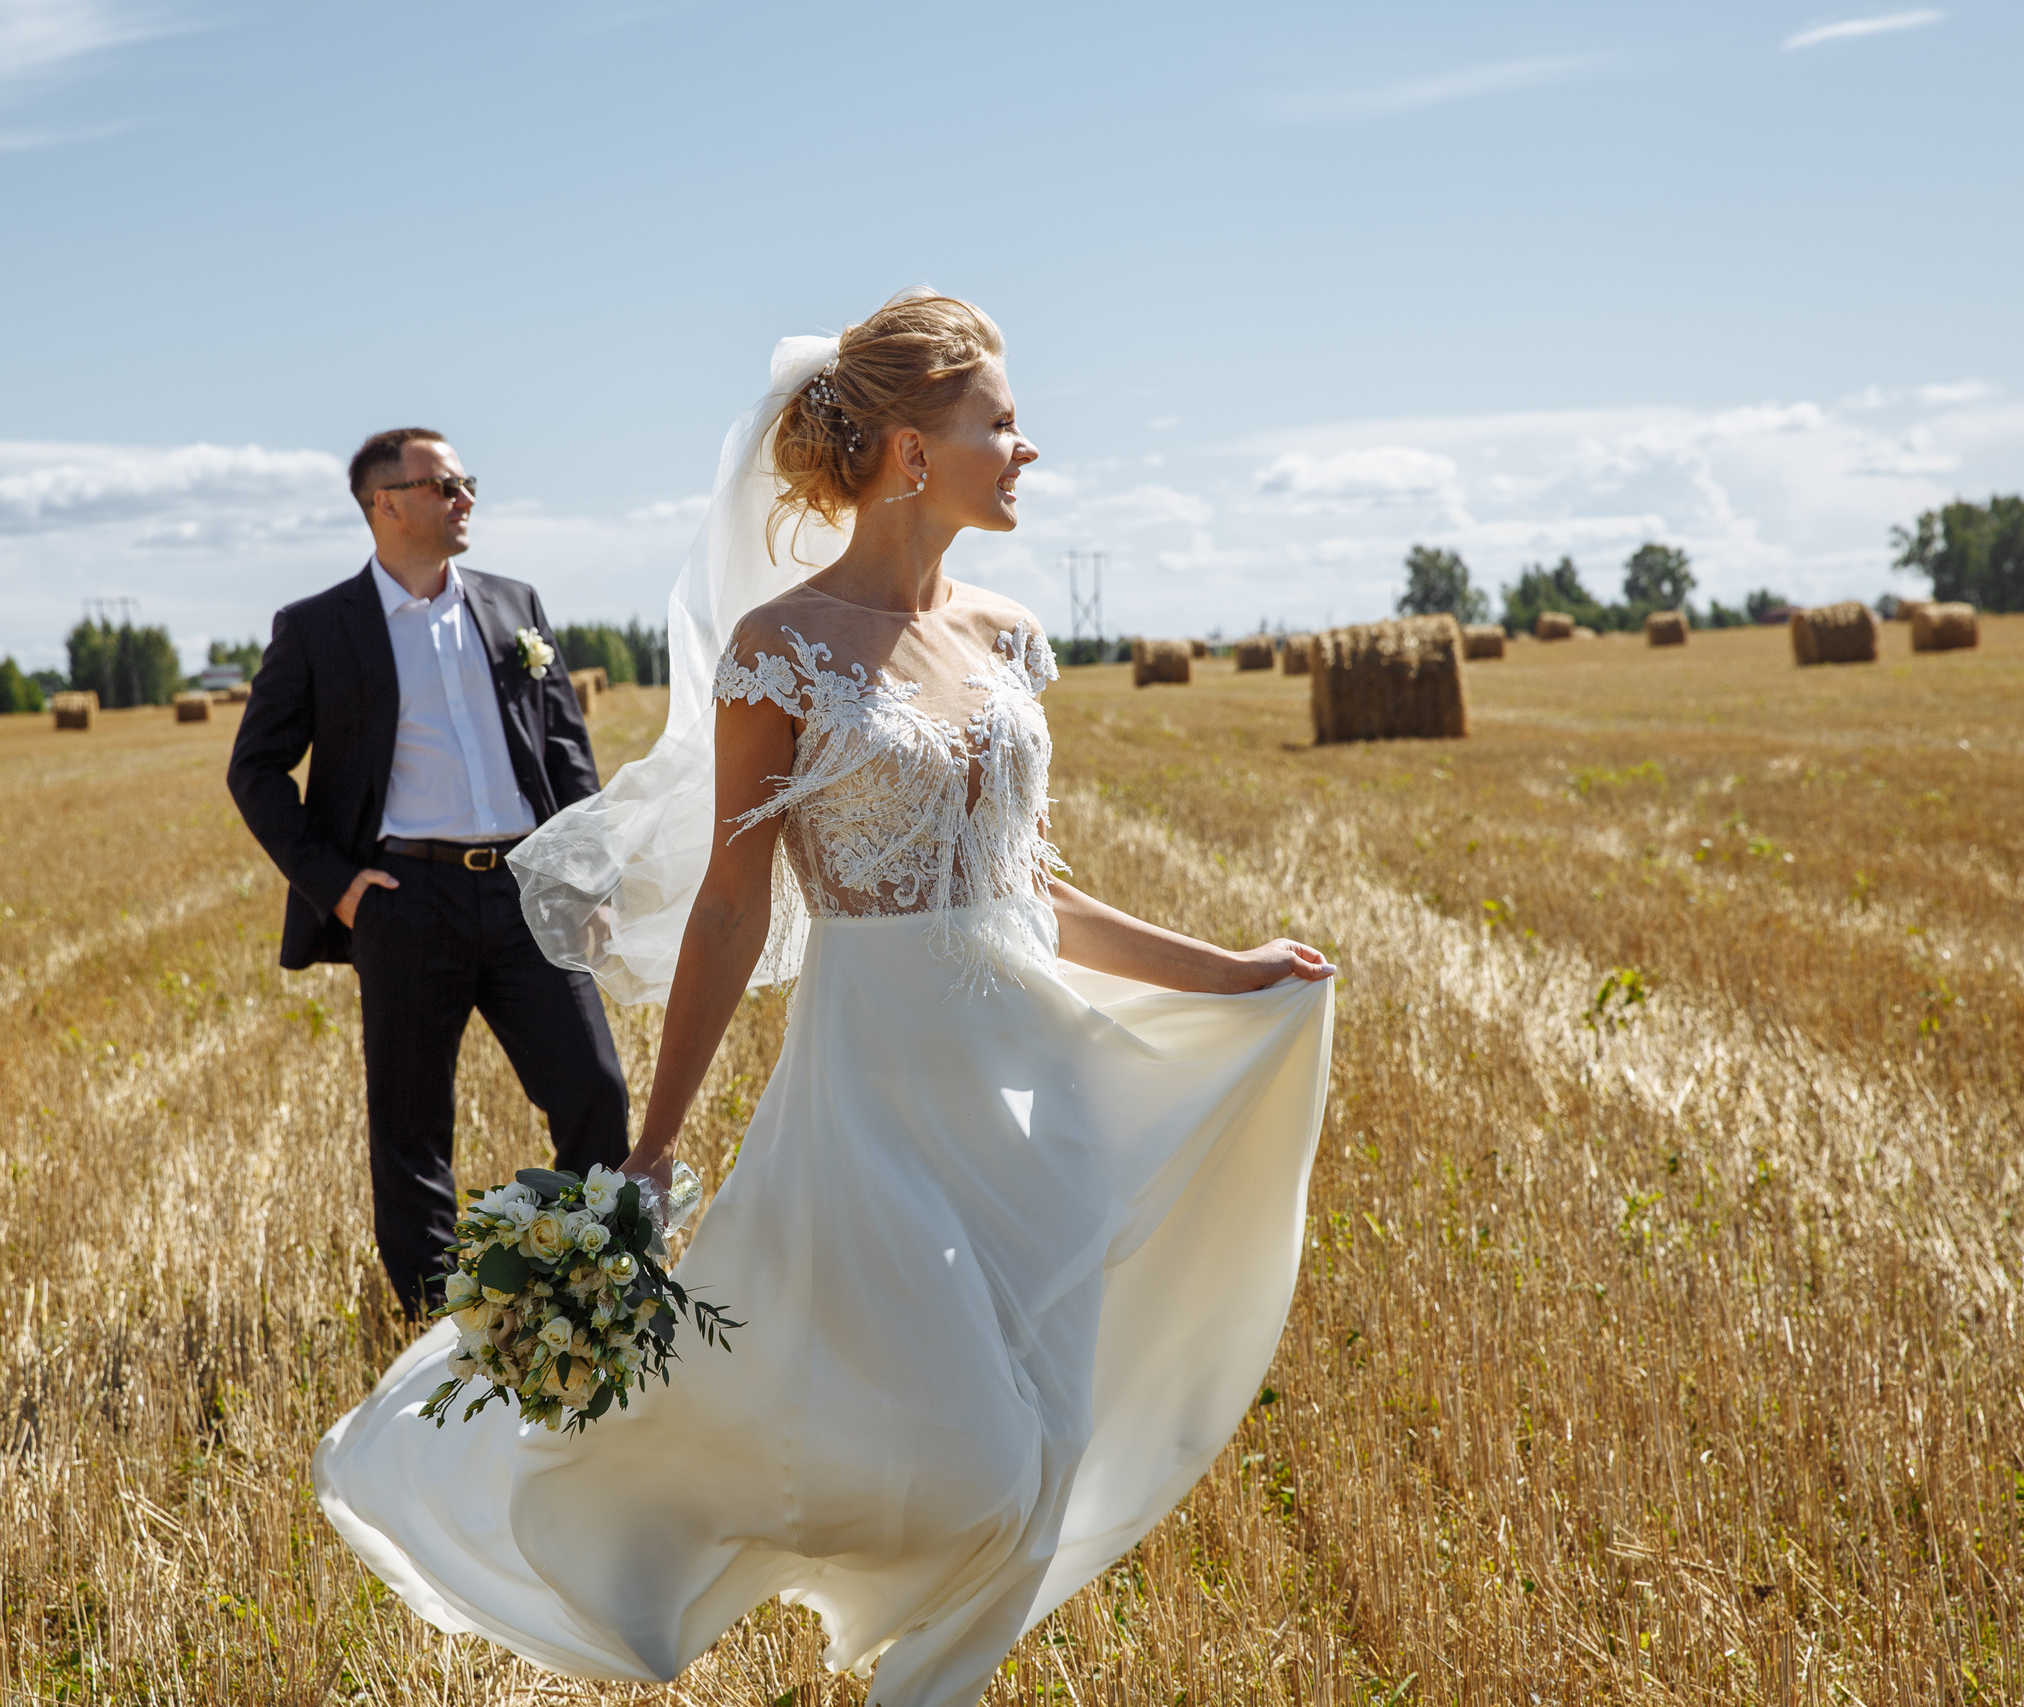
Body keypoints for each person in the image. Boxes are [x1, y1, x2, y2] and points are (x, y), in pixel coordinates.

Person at [312, 296, 1337, 1707]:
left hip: (1035, 1080)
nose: (1027, 447)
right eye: (1000, 423)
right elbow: (734, 906)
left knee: (1047, 1440)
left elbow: (1028, 885)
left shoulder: (1009, 636)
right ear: (912, 451)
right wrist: (655, 1140)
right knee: (975, 1464)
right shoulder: (779, 647)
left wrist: (1231, 969)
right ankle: (661, 1520)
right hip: (879, 1090)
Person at [226, 427, 630, 1323]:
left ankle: (584, 1295)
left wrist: (589, 877)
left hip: (526, 889)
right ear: (386, 504)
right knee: (412, 1128)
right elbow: (254, 770)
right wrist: (338, 886)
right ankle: (438, 1328)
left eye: (465, 482)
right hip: (406, 900)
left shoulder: (515, 602)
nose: (464, 498)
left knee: (595, 1091)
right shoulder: (318, 628)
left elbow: (567, 751)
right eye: (444, 485)